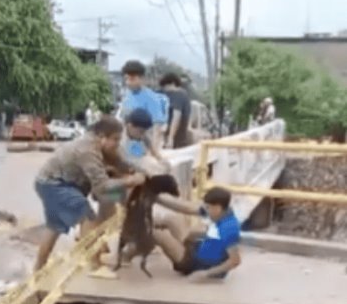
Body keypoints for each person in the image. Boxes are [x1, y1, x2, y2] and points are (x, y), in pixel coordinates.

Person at [33, 115, 146, 275]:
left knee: (55, 228)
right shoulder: (87, 151)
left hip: (56, 182)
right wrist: (130, 180)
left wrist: (145, 173)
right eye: (115, 139)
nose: (117, 144)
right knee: (86, 215)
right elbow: (101, 187)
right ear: (101, 137)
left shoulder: (102, 146)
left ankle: (38, 269)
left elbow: (121, 161)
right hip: (54, 184)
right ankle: (95, 265)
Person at [152, 186, 242, 280]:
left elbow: (235, 260)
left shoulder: (229, 228)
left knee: (159, 235)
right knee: (171, 219)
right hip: (198, 249)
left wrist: (205, 274)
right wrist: (157, 198)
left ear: (218, 207)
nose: (205, 210)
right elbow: (187, 208)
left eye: (208, 207)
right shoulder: (222, 211)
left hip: (198, 264)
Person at [119, 60, 167, 163]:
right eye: (126, 79)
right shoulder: (127, 96)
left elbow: (157, 129)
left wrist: (154, 154)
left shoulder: (151, 99)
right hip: (126, 146)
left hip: (144, 148)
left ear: (142, 79)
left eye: (132, 79)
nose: (128, 83)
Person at [159, 72, 192, 149]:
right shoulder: (178, 94)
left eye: (166, 86)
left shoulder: (179, 94)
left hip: (177, 138)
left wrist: (171, 138)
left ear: (173, 83)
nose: (165, 90)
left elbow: (176, 117)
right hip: (170, 135)